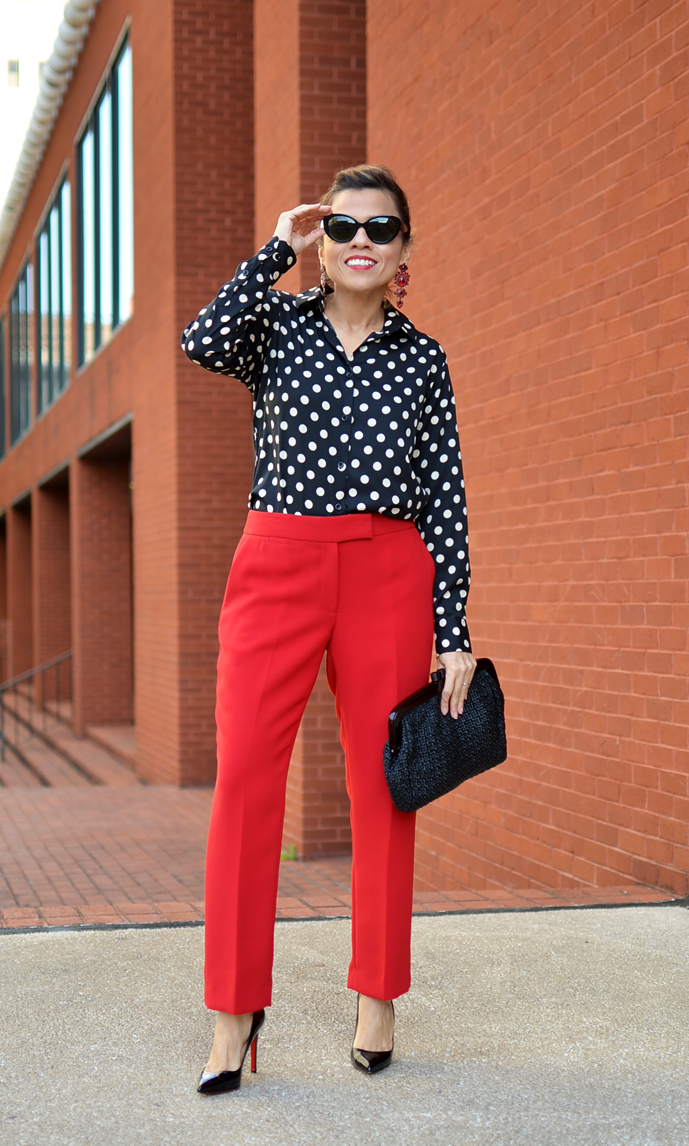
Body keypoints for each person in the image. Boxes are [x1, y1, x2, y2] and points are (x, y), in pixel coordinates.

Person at [181, 164, 476, 1094]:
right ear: (324, 236)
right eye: (343, 225)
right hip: (277, 564)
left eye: (381, 229)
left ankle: (378, 996)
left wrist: (454, 626)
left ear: (404, 251)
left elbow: (446, 499)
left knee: (383, 790)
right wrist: (277, 248)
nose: (360, 240)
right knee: (243, 784)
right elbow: (201, 339)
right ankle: (234, 1014)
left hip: (389, 573)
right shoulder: (275, 327)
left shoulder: (422, 360)